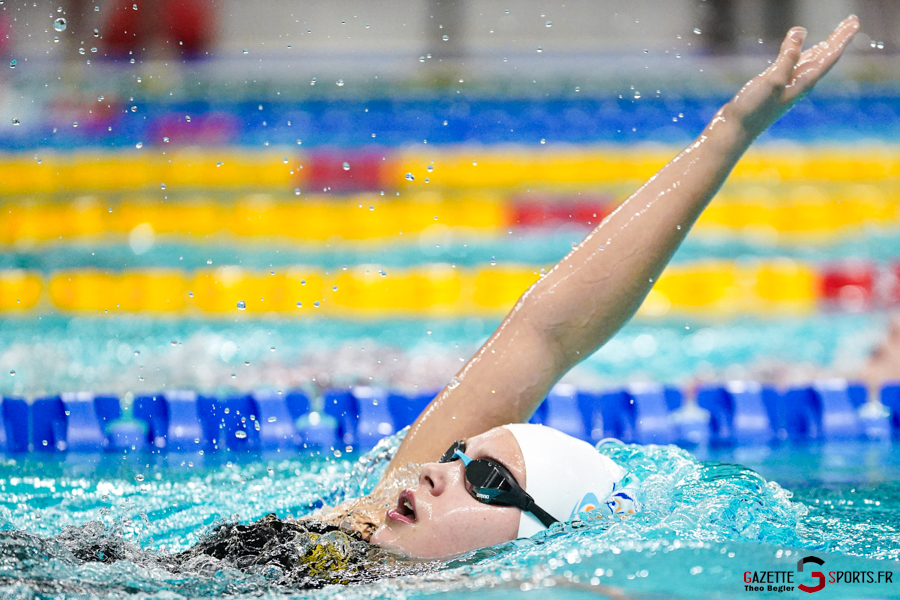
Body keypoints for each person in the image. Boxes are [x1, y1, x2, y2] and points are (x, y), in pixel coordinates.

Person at [306, 16, 864, 560]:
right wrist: (728, 133)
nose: (431, 469)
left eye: (484, 477)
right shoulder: (347, 537)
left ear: (537, 537)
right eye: (457, 456)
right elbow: (545, 333)